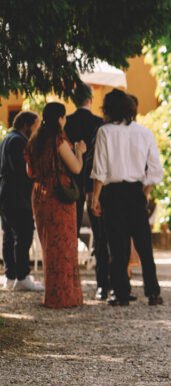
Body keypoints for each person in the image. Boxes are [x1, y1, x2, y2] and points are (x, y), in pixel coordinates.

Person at [91, 89, 164, 306]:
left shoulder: (105, 132)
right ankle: (153, 292)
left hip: (112, 193)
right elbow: (155, 170)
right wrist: (144, 194)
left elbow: (100, 169)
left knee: (117, 245)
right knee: (144, 245)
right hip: (136, 191)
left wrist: (95, 198)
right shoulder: (145, 133)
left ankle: (120, 292)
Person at [25, 103, 86, 308]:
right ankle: (64, 296)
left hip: (40, 195)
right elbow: (76, 168)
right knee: (64, 246)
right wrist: (79, 152)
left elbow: (29, 171)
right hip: (59, 196)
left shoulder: (34, 141)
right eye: (64, 117)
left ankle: (51, 295)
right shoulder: (58, 140)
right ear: (60, 118)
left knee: (49, 246)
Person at [64, 84, 110, 300]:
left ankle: (70, 281)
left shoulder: (67, 122)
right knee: (100, 235)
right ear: (90, 100)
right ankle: (103, 284)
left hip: (71, 182)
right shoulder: (100, 123)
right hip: (93, 182)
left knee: (70, 233)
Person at [1, 111, 42, 292]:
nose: (37, 129)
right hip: (17, 195)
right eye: (35, 125)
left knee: (9, 236)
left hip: (6, 194)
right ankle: (22, 276)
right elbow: (22, 171)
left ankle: (10, 275)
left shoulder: (6, 139)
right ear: (26, 125)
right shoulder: (19, 141)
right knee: (24, 234)